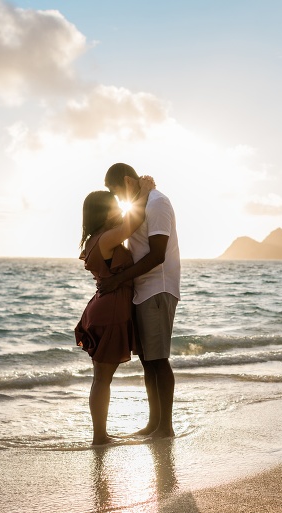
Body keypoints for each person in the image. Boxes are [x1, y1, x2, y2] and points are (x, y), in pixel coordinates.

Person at [99, 162, 180, 439]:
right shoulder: (140, 201)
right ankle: (154, 424)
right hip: (142, 290)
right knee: (147, 360)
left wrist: (118, 280)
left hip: (158, 288)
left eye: (115, 191)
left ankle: (165, 428)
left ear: (126, 180)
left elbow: (158, 254)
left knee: (159, 360)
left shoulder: (157, 203)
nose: (117, 198)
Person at [75, 176, 155, 446]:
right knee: (102, 379)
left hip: (103, 308)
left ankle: (100, 435)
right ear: (103, 212)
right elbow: (135, 221)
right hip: (109, 313)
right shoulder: (107, 238)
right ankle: (100, 437)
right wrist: (143, 191)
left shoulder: (94, 240)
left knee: (101, 378)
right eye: (113, 206)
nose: (118, 210)